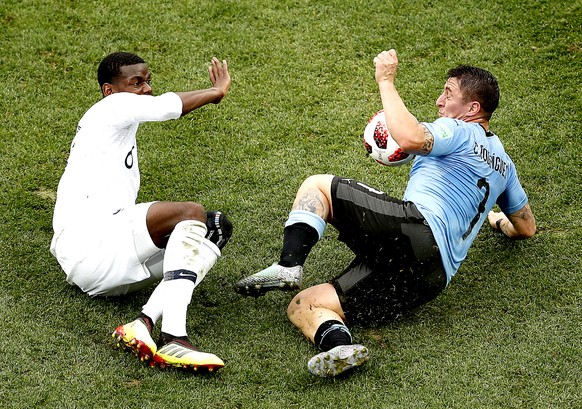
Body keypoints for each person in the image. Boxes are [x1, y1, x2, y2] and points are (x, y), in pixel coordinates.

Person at [234, 49, 537, 378]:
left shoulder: (460, 130)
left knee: (318, 186)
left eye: (448, 94)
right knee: (305, 304)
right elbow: (526, 227)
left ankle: (288, 265)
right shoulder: (505, 165)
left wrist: (386, 79)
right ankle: (338, 347)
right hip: (430, 280)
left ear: (473, 108)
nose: (439, 101)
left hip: (413, 233)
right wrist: (495, 219)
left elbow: (409, 137)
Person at [50, 51, 232, 372]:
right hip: (92, 248)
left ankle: (144, 321)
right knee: (190, 212)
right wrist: (215, 92)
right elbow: (165, 107)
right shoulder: (109, 108)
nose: (146, 88)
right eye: (136, 82)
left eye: (148, 81)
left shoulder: (114, 127)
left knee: (214, 227)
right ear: (110, 90)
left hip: (109, 268)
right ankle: (176, 336)